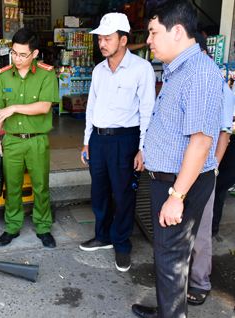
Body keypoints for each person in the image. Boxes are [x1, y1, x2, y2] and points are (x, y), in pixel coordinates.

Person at [132, 1, 224, 318]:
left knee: (170, 255)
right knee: (172, 255)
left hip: (179, 184)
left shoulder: (198, 74)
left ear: (178, 31)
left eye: (154, 32)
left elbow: (201, 143)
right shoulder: (179, 69)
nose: (149, 40)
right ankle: (168, 310)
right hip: (169, 180)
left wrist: (177, 196)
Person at [79, 12, 155, 272]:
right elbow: (91, 107)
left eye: (107, 38)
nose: (102, 42)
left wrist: (143, 148)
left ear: (123, 40)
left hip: (126, 140)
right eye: (100, 37)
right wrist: (87, 141)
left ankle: (122, 244)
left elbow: (147, 111)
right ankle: (103, 236)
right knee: (98, 192)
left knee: (124, 194)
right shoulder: (99, 70)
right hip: (98, 141)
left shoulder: (141, 69)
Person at [0, 28, 59, 248]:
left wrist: (15, 108)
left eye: (22, 55)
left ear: (35, 53)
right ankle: (12, 227)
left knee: (40, 186)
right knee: (13, 185)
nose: (17, 59)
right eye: (14, 53)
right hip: (12, 140)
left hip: (37, 140)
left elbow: (44, 106)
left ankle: (43, 227)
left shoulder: (47, 74)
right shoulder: (3, 75)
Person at [186, 33, 234, 306]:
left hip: (204, 169)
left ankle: (200, 281)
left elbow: (224, 133)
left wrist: (212, 167)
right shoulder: (188, 82)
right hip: (181, 168)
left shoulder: (220, 87)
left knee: (201, 231)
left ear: (202, 54)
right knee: (180, 228)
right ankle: (180, 276)